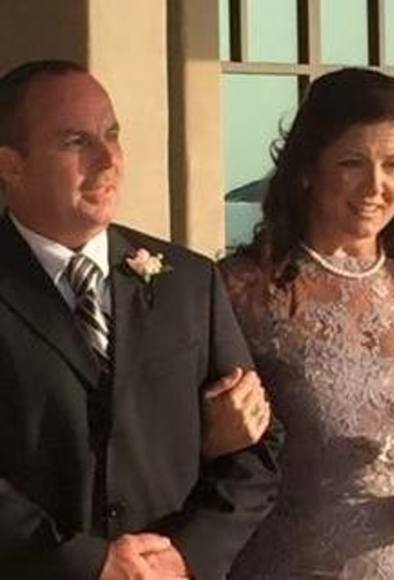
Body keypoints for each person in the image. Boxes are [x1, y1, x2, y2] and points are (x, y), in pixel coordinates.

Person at [0, 60, 282, 580]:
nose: (108, 159)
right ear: (11, 166)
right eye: (75, 142)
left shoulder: (190, 281)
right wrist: (88, 564)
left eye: (112, 135)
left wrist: (187, 554)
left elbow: (256, 449)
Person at [220, 68, 394, 578]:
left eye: (393, 166)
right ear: (308, 169)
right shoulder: (244, 292)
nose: (375, 187)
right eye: (352, 164)